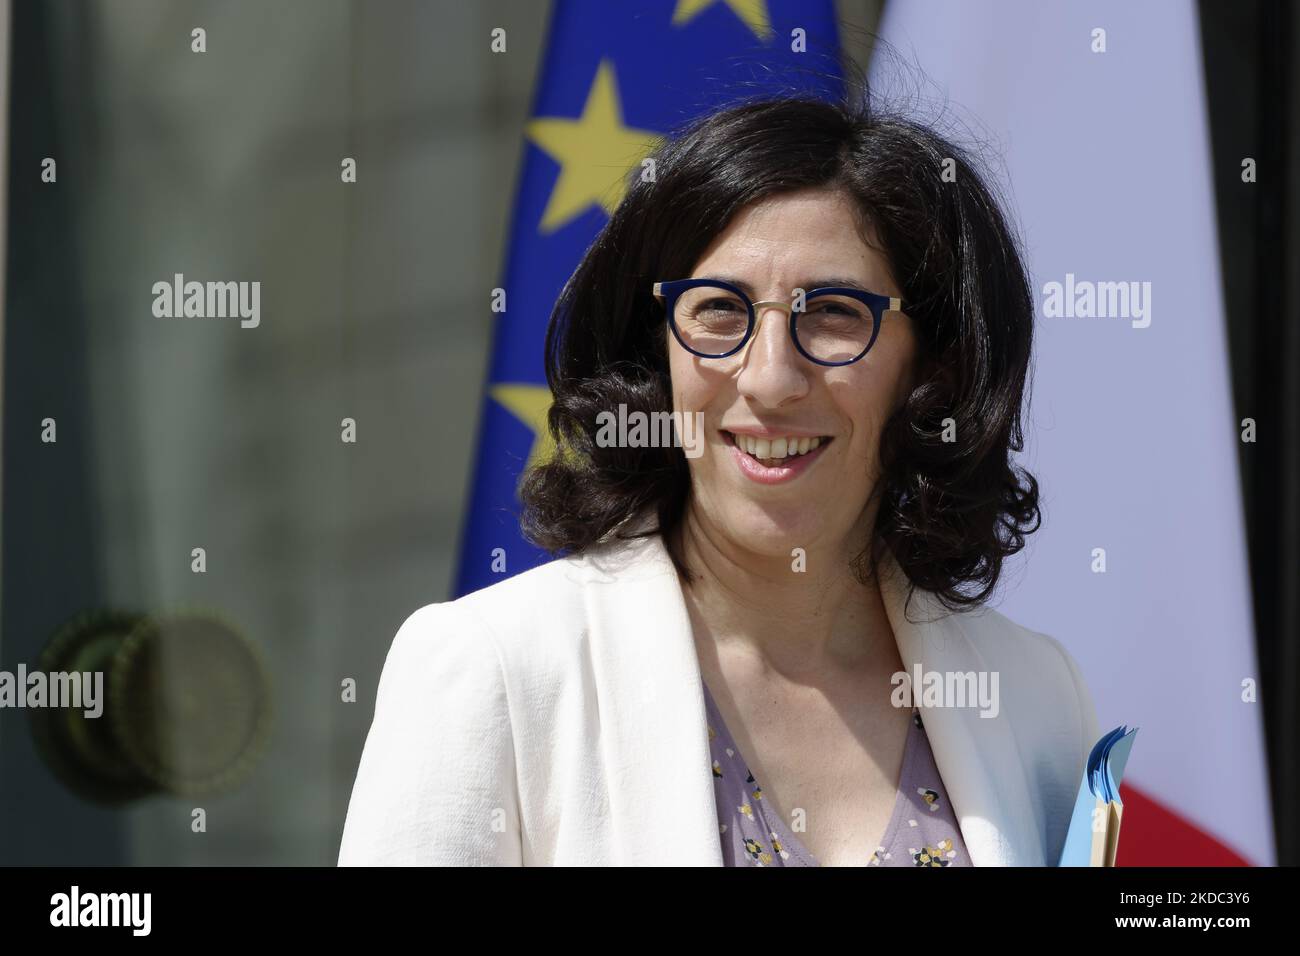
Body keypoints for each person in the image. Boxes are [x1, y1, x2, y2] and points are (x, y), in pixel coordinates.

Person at [338, 92, 1100, 866]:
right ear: (654, 354)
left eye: (833, 312)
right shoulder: (491, 668)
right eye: (718, 311)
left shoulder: (1037, 696)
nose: (770, 379)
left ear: (931, 365)